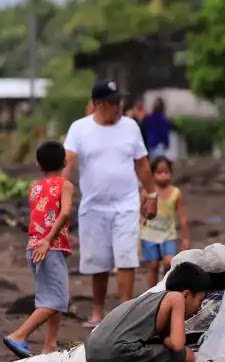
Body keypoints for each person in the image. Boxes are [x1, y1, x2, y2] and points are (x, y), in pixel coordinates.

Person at [63, 80, 158, 327]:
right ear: (97, 104)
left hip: (126, 203)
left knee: (126, 258)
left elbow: (142, 163)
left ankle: (124, 312)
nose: (118, 107)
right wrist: (56, 191)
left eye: (120, 102)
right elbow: (68, 161)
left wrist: (153, 195)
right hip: (93, 206)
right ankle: (97, 312)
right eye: (113, 103)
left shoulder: (130, 126)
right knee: (98, 261)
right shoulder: (79, 128)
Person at [77, 262, 212, 362]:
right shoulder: (176, 298)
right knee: (187, 358)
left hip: (93, 354)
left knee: (136, 350)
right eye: (200, 301)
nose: (199, 308)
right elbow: (177, 344)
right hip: (116, 352)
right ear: (186, 294)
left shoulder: (149, 299)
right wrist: (166, 339)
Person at [3, 141, 74, 358]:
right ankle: (19, 335)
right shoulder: (65, 185)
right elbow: (65, 213)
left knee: (50, 297)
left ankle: (49, 346)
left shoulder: (34, 188)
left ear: (37, 164)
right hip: (48, 247)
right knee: (58, 300)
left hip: (33, 247)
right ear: (64, 162)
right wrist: (49, 240)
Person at [141, 157, 190, 288]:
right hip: (149, 234)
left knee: (169, 262)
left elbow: (183, 217)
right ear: (152, 174)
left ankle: (164, 287)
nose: (163, 176)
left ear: (171, 173)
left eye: (166, 172)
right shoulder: (148, 192)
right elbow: (140, 212)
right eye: (159, 172)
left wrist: (185, 238)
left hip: (168, 235)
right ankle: (151, 292)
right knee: (153, 264)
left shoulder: (176, 193)